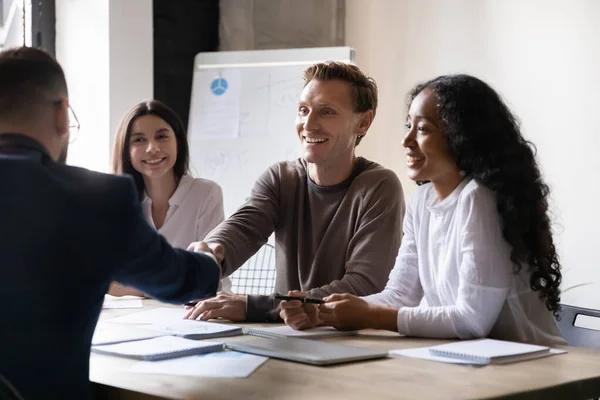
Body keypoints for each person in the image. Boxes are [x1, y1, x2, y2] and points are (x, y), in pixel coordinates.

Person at [0, 46, 221, 400]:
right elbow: (180, 280)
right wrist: (208, 260)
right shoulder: (97, 197)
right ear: (61, 115)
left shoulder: (199, 192)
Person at [281, 74, 565, 346]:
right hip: (475, 367)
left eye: (423, 129)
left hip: (533, 370)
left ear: (463, 137)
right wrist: (322, 311)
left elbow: (472, 321)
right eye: (408, 126)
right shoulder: (422, 201)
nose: (406, 141)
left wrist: (371, 316)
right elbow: (399, 295)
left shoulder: (478, 197)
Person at [185, 61, 405, 322]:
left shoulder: (380, 187)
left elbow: (363, 286)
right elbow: (243, 227)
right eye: (303, 110)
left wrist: (254, 307)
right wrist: (210, 252)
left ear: (363, 123)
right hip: (285, 336)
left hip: (349, 341)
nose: (308, 124)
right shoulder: (281, 178)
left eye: (327, 112)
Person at [109, 100, 231, 296]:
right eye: (139, 140)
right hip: (136, 317)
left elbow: (207, 279)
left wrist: (129, 287)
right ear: (126, 152)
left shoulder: (206, 194)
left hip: (197, 316)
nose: (152, 148)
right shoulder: (119, 203)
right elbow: (105, 279)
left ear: (178, 142)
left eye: (162, 136)